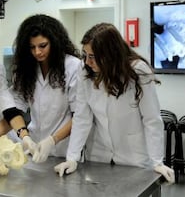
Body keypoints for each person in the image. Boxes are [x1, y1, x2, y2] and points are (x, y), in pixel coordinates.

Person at [54, 23, 174, 184]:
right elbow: (82, 118)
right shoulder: (85, 71)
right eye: (85, 55)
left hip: (133, 155)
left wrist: (157, 161)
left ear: (110, 54)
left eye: (93, 56)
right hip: (99, 153)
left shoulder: (138, 71)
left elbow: (151, 119)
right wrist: (72, 158)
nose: (87, 62)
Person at [9, 14, 81, 163]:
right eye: (32, 47)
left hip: (64, 150)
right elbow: (15, 110)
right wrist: (25, 136)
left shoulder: (73, 66)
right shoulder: (26, 69)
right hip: (33, 148)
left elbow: (80, 116)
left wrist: (52, 140)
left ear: (55, 42)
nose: (37, 52)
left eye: (43, 46)